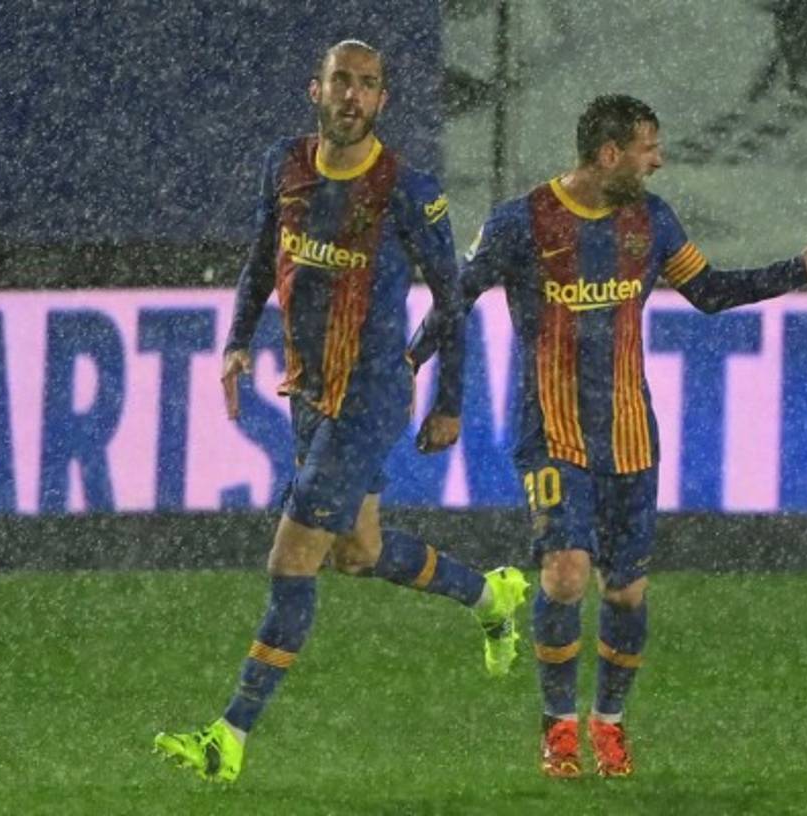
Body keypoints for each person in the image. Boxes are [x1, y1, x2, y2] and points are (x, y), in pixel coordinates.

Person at [411, 94, 807, 779]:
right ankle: (558, 727)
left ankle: (610, 723)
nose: (659, 160)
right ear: (610, 155)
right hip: (551, 430)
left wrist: (799, 271)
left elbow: (708, 291)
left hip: (630, 434)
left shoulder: (651, 221)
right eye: (648, 148)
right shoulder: (521, 221)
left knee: (625, 593)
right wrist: (412, 362)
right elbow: (456, 295)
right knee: (565, 574)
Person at [153, 39, 529, 785]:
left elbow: (451, 298)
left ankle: (229, 735)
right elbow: (263, 257)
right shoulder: (285, 165)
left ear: (383, 100)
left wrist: (449, 400)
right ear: (316, 90)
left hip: (370, 394)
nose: (353, 95)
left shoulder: (407, 190)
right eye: (341, 81)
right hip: (308, 389)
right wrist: (237, 341)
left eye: (367, 84)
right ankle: (492, 596)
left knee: (292, 558)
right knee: (357, 552)